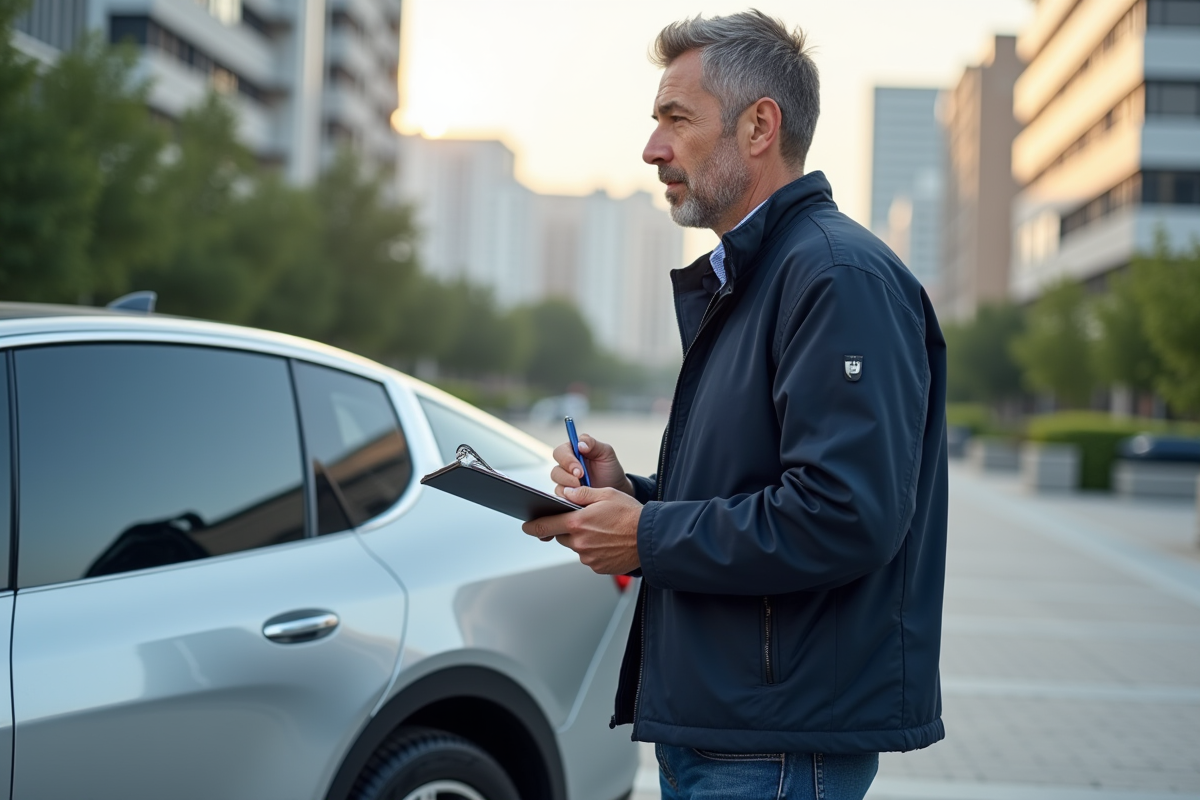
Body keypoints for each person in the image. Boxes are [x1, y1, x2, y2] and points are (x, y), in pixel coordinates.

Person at [522, 10, 948, 799]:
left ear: (759, 126)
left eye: (675, 120)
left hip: (778, 745)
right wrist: (633, 497)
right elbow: (761, 488)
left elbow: (845, 513)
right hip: (726, 728)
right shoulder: (759, 276)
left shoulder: (833, 277)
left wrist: (647, 535)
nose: (652, 148)